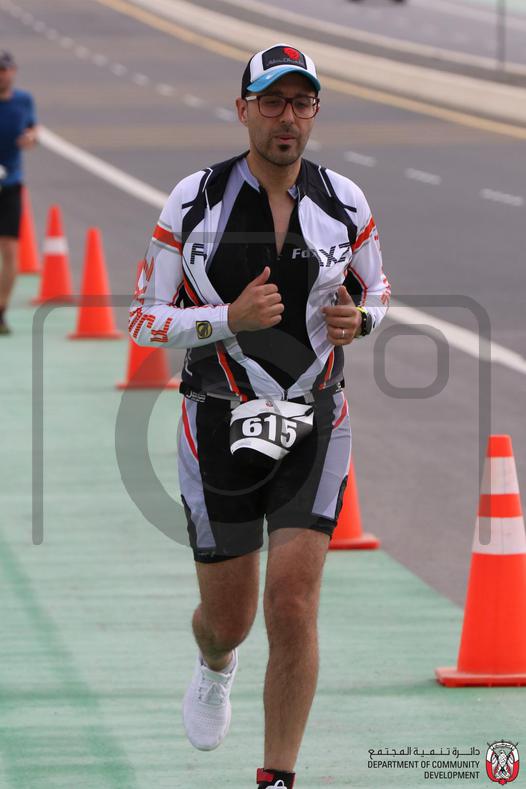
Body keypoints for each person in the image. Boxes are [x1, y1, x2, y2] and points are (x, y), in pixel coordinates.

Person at [129, 43, 391, 789]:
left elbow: (379, 290)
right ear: (243, 109)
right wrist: (227, 319)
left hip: (316, 417)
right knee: (231, 619)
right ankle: (215, 663)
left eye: (301, 103)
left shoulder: (346, 201)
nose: (287, 118)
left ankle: (278, 776)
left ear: (315, 112)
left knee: (294, 601)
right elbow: (143, 319)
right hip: (219, 419)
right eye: (272, 101)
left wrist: (362, 320)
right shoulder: (195, 201)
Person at [0, 50, 38, 335]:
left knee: (10, 250)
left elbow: (33, 128)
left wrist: (31, 138)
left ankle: (1, 309)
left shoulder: (24, 100)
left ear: (13, 71)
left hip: (10, 183)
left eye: (5, 69)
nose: (2, 75)